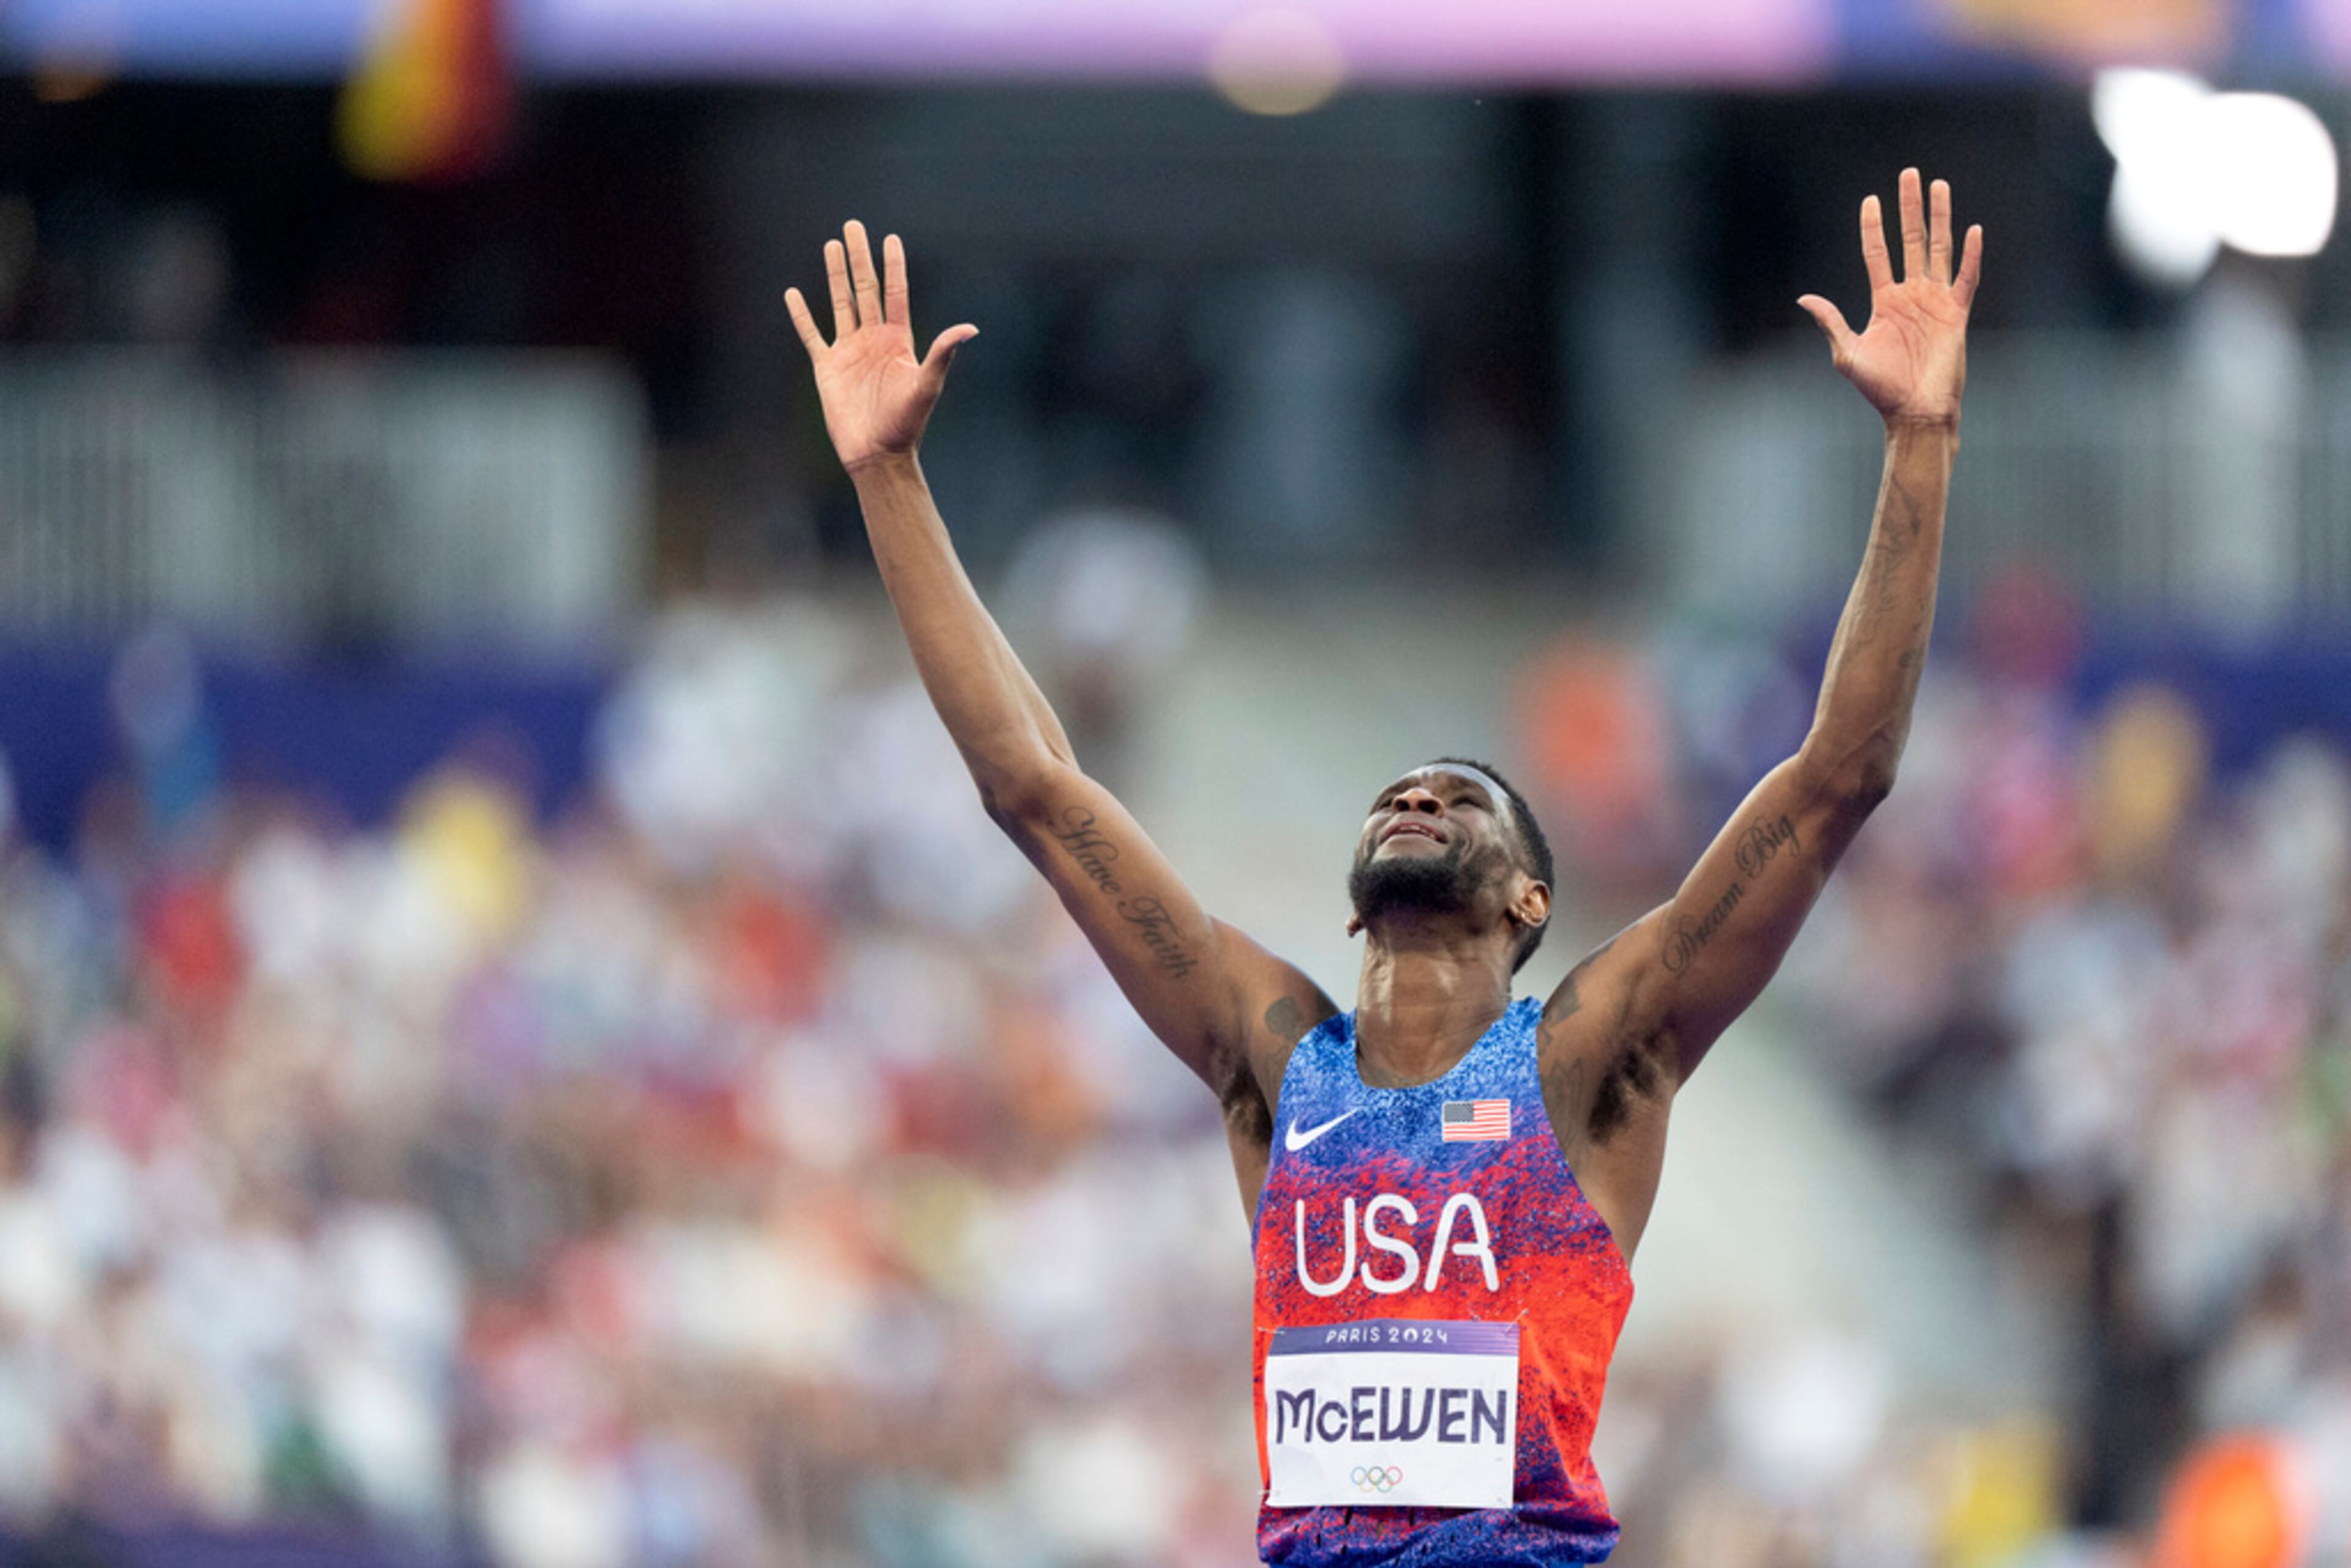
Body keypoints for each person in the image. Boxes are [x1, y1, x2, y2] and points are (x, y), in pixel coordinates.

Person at [785, 168, 1983, 1566]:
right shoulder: (1275, 1061)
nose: (1418, 793)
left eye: (1461, 798)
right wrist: (886, 477)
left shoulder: (1590, 1061)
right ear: (1356, 888)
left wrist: (1921, 448)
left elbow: (1839, 776)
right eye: (1401, 793)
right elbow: (1037, 793)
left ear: (1530, 898)